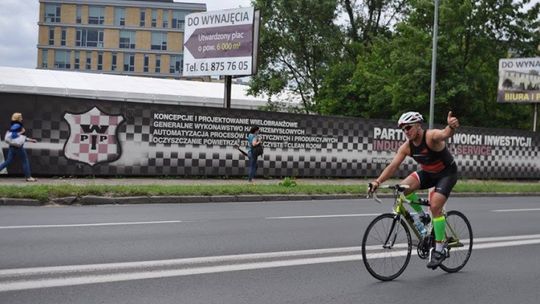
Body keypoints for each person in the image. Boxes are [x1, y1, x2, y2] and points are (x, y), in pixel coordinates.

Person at [368, 111, 459, 269]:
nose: (406, 132)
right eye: (403, 129)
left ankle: (439, 249)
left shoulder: (430, 137)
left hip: (446, 174)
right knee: (403, 189)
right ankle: (423, 217)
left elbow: (444, 134)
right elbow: (393, 166)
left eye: (408, 127)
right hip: (429, 173)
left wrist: (451, 127)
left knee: (436, 206)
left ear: (418, 126)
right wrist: (377, 181)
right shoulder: (407, 147)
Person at [0, 113, 38, 182]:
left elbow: (14, 136)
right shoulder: (17, 125)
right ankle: (28, 177)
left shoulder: (14, 125)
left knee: (8, 161)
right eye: (20, 117)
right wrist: (22, 132)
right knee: (25, 161)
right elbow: (14, 136)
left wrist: (30, 140)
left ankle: (28, 177)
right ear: (17, 118)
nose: (22, 118)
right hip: (18, 147)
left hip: (12, 147)